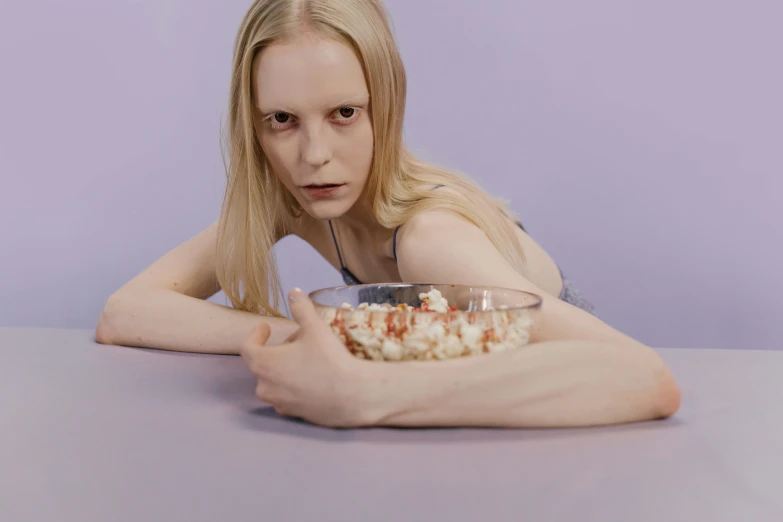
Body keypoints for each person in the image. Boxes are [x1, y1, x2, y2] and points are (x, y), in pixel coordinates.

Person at [96, 0, 680, 428]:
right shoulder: (297, 203)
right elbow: (125, 311)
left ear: (388, 103)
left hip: (556, 402)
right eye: (283, 120)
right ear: (253, 124)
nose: (314, 156)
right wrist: (304, 333)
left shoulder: (428, 238)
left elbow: (647, 378)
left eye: (345, 112)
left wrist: (369, 393)